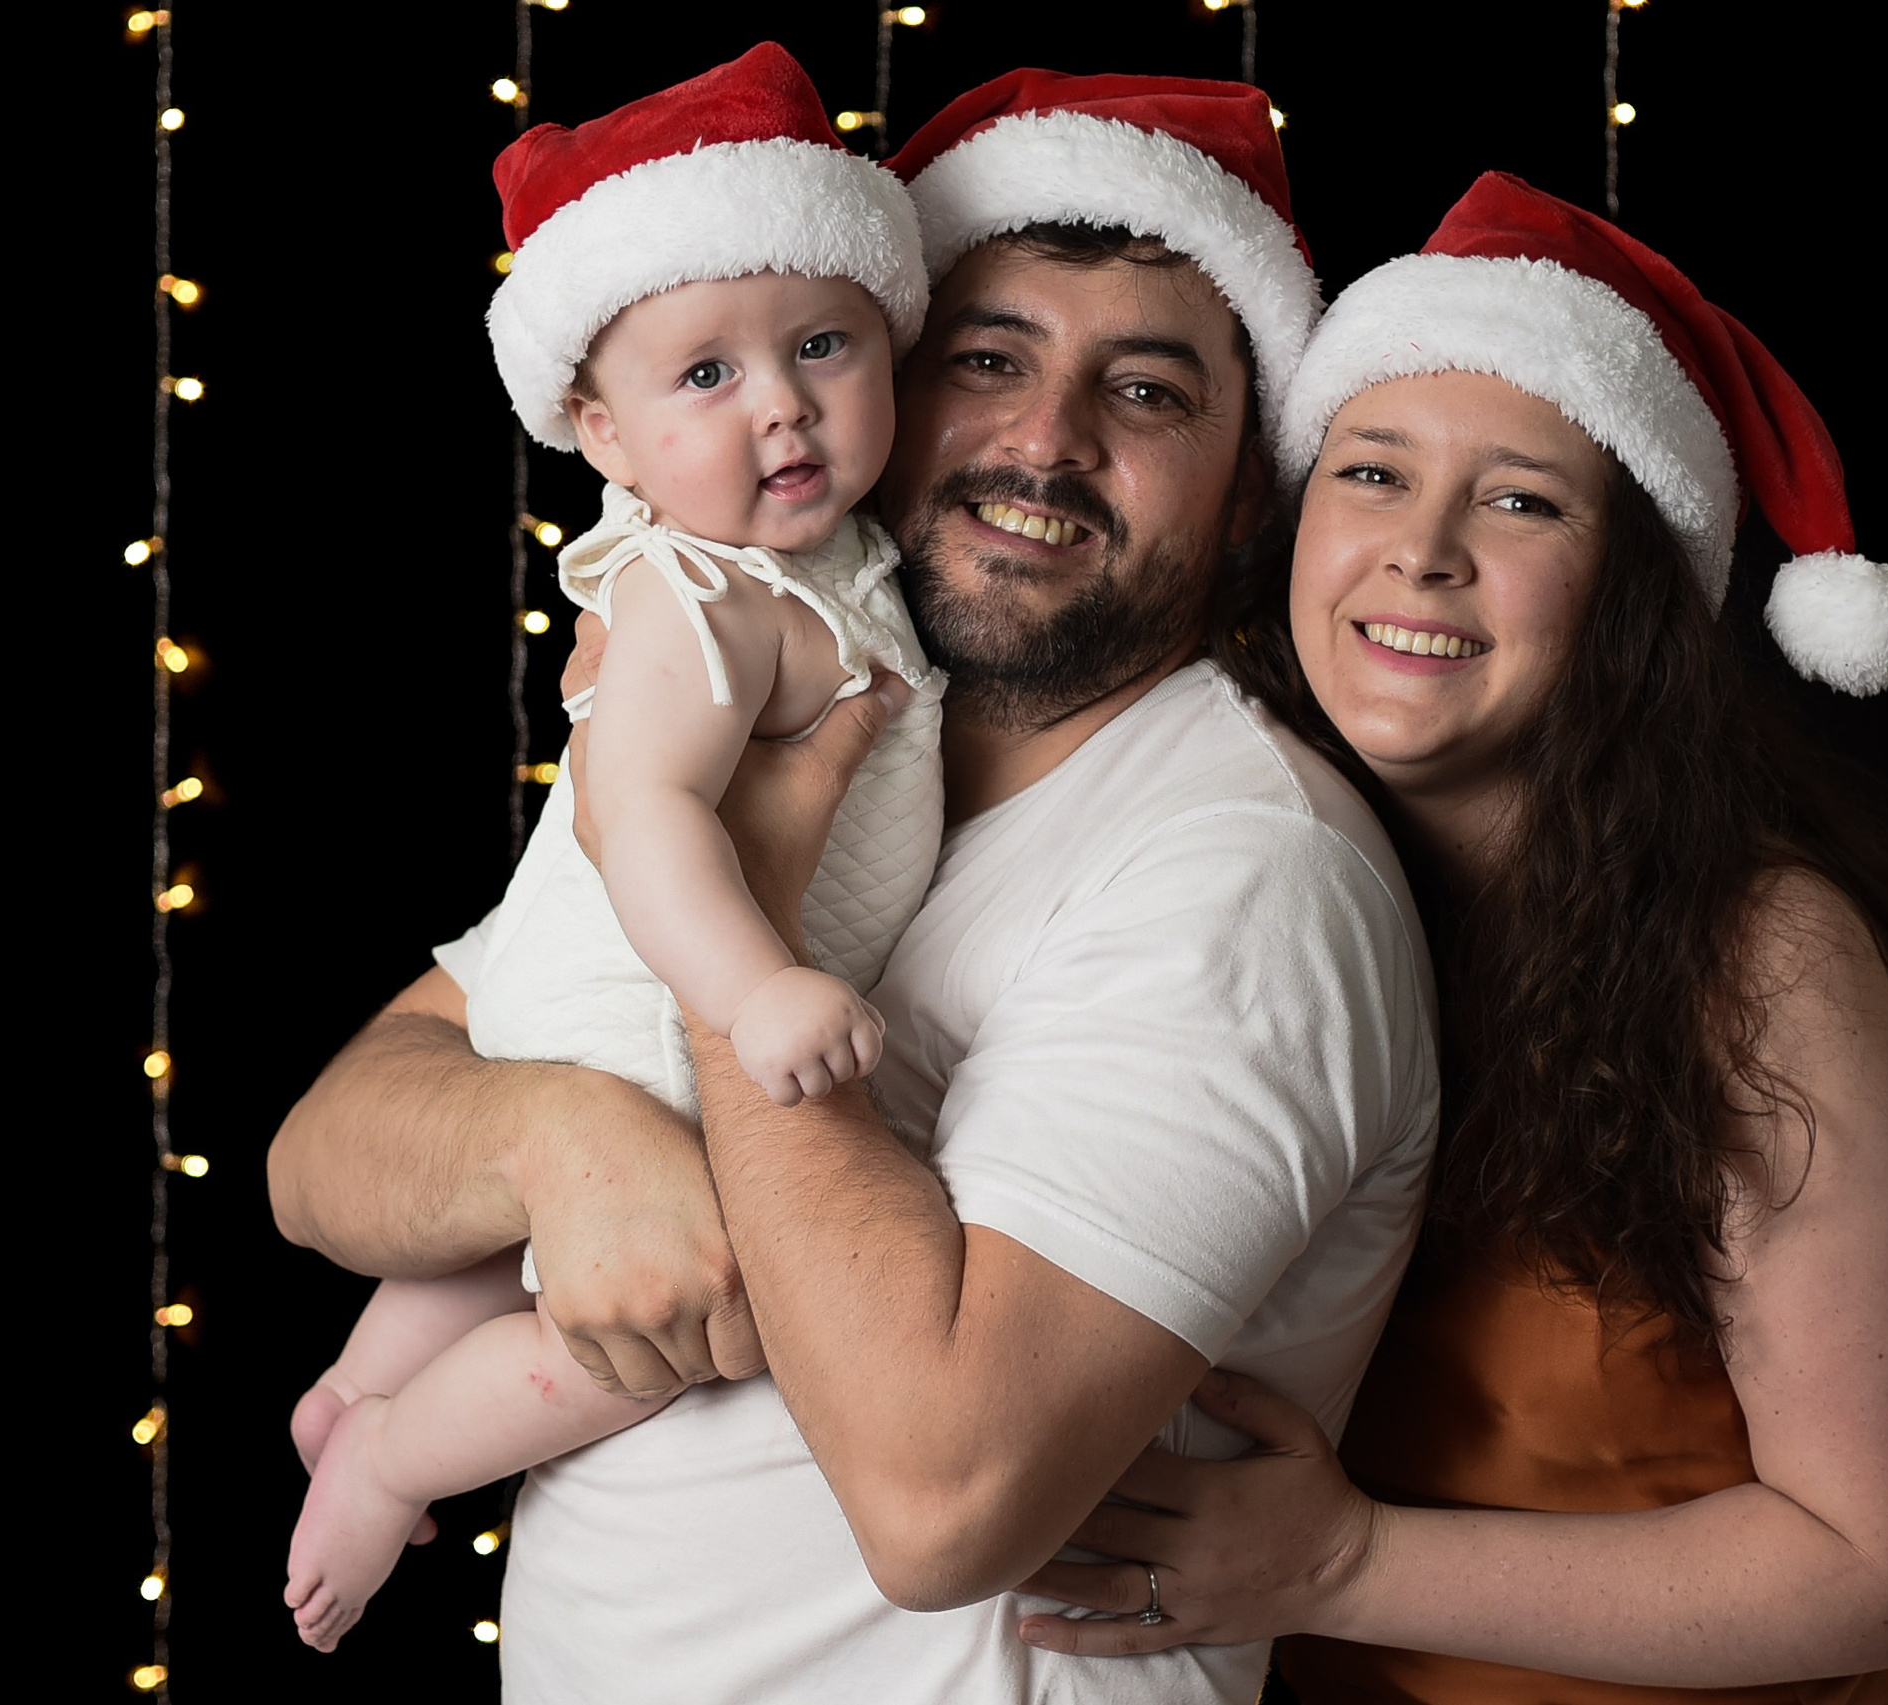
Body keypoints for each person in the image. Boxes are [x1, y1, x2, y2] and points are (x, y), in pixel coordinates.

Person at [266, 68, 1441, 1705]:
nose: (1047, 439)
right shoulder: (841, 708)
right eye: (987, 359)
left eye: (1147, 391)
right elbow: (320, 1158)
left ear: (1251, 486)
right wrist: (562, 1139)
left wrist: (739, 920)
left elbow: (939, 1505)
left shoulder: (1244, 868)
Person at [1015, 172, 1888, 1702]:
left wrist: (1342, 1562)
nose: (1422, 549)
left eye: (1521, 499)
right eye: (1372, 473)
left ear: (1627, 589)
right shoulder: (1224, 870)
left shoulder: (1756, 955)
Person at [278, 45, 944, 1652]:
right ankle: (394, 1453)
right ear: (605, 434)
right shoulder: (702, 598)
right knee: (666, 1323)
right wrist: (757, 987)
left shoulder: (823, 558)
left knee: (499, 1256)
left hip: (608, 1010)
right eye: (704, 375)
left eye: (822, 344)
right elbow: (638, 812)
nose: (780, 400)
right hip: (653, 1007)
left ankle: (352, 1389)